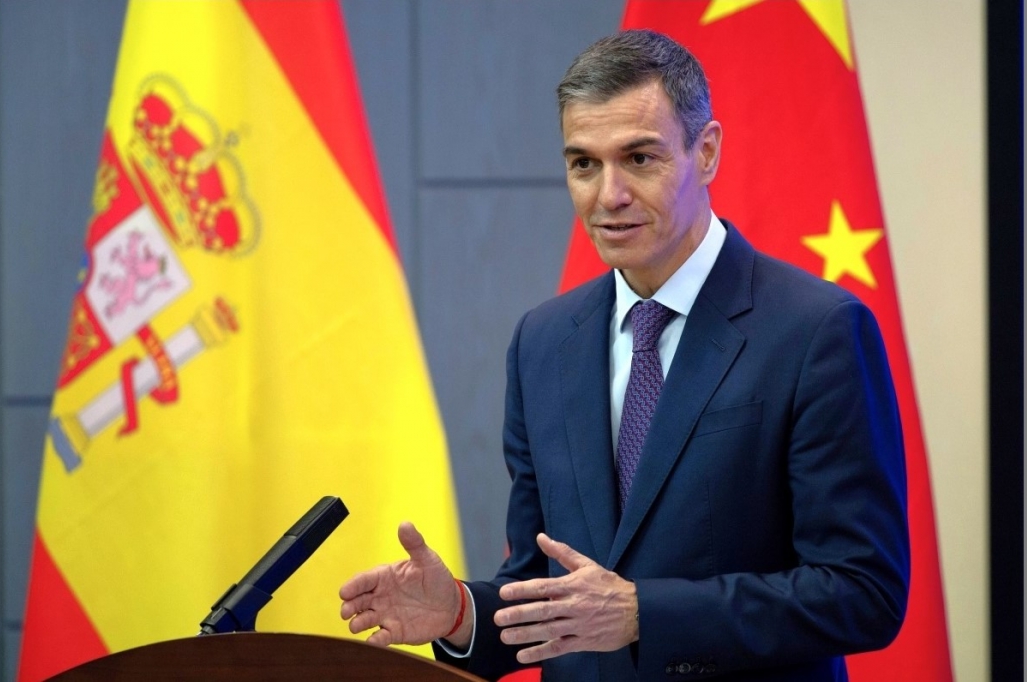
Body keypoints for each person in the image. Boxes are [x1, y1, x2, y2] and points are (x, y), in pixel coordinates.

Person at [339, 29, 909, 682]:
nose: (608, 195)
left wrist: (645, 613)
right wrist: (461, 614)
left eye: (639, 159)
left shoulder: (819, 331)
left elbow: (864, 592)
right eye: (583, 164)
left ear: (708, 152)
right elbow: (545, 588)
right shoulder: (543, 342)